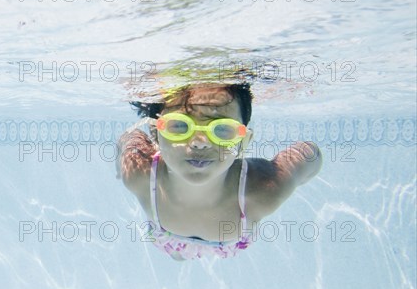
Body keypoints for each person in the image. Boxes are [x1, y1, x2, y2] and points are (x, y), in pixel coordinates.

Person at [116, 83, 322, 261]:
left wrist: (289, 174)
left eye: (222, 129)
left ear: (243, 142)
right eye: (179, 126)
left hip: (228, 244)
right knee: (177, 255)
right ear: (155, 133)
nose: (199, 143)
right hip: (168, 239)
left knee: (178, 256)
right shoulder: (138, 174)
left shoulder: (263, 190)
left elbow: (309, 154)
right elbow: (128, 138)